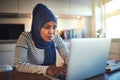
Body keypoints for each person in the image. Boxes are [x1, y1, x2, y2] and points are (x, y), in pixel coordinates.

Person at [14, 3, 69, 77]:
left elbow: (67, 56)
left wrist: (72, 65)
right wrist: (46, 69)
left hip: (51, 76)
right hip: (31, 77)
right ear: (37, 26)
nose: (51, 32)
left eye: (54, 27)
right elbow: (19, 65)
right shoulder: (25, 37)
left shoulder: (55, 37)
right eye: (47, 27)